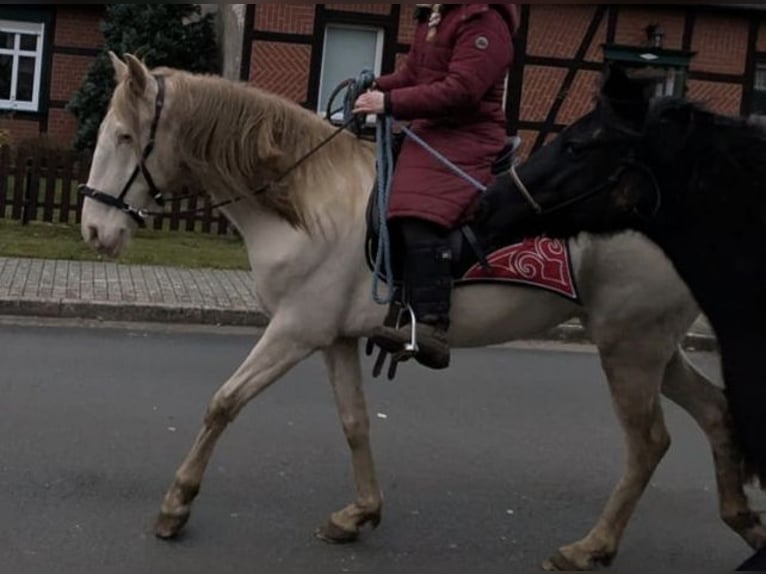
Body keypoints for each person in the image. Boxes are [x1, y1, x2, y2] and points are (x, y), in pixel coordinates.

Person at [354, 3, 520, 370]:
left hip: (468, 136)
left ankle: (431, 327)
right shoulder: (437, 16)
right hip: (434, 129)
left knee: (418, 208)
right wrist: (376, 86)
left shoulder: (485, 22)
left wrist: (390, 103)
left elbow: (462, 90)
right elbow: (414, 74)